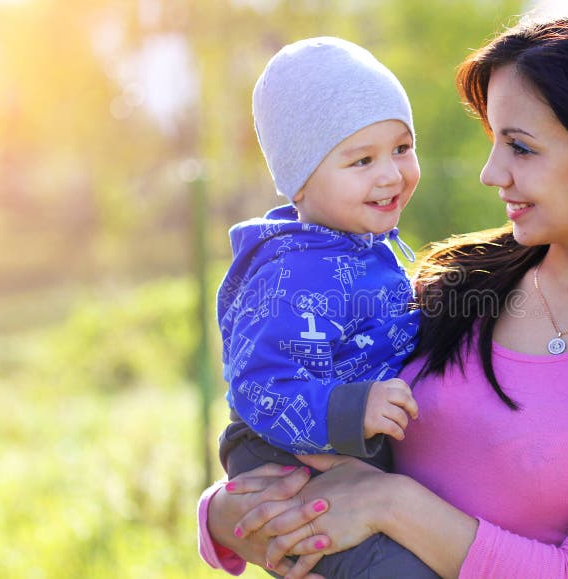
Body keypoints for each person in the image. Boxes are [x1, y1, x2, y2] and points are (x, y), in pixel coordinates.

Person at [200, 3, 568, 578]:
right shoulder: (457, 283)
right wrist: (226, 515)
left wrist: (393, 503)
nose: (490, 172)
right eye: (494, 140)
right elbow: (284, 403)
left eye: (521, 147)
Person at [210, 36, 438, 577]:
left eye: (401, 149)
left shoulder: (363, 243)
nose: (390, 174)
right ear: (300, 181)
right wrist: (351, 409)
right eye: (362, 159)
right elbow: (261, 385)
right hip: (283, 459)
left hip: (349, 457)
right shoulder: (289, 272)